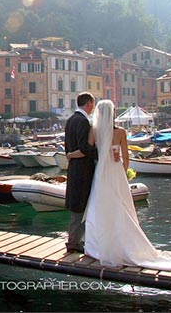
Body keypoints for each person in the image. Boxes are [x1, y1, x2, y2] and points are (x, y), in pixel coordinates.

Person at [68, 99, 171, 271]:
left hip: (101, 172)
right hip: (116, 171)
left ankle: (97, 245)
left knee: (99, 207)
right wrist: (123, 172)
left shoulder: (94, 131)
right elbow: (126, 156)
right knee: (121, 206)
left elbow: (88, 151)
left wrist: (71, 155)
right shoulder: (121, 132)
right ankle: (123, 243)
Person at [63, 92, 98, 253]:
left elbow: (67, 146)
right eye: (93, 103)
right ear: (89, 103)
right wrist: (99, 153)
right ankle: (74, 242)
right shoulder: (83, 122)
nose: (93, 107)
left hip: (73, 167)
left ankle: (75, 240)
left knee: (76, 205)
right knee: (81, 205)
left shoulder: (70, 120)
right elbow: (84, 148)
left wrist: (70, 155)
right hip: (83, 169)